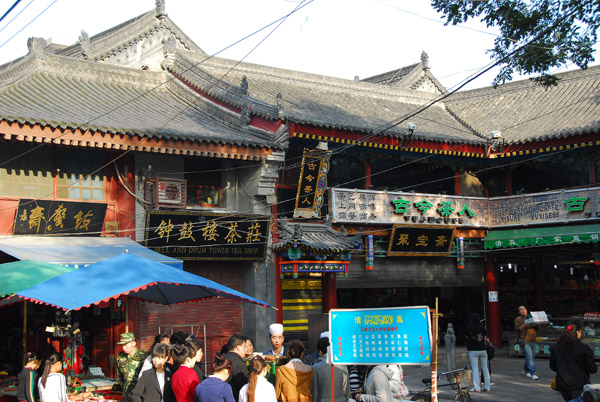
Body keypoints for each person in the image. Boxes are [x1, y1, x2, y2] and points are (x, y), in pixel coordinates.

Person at [550, 321, 598, 401]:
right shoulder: (584, 348)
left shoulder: (556, 347)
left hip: (562, 385)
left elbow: (553, 367)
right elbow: (592, 369)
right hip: (578, 385)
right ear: (578, 332)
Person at [311, 337, 349, 402]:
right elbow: (346, 390)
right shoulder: (343, 366)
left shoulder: (315, 368)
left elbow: (315, 392)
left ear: (320, 352)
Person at [116, 332, 147, 402]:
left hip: (140, 393)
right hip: (127, 393)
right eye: (122, 345)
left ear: (133, 343)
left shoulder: (144, 356)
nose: (124, 348)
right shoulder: (120, 357)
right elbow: (120, 376)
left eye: (126, 345)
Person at [466, 313, 490, 393]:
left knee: (475, 369)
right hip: (483, 349)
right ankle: (487, 386)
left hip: (473, 350)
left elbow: (467, 336)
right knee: (485, 368)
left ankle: (477, 387)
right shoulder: (482, 327)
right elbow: (486, 337)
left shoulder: (469, 328)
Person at [514, 305, 539, 380]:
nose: (523, 311)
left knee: (531, 357)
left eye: (524, 309)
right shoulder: (518, 319)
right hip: (525, 340)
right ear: (519, 312)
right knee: (529, 357)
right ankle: (533, 373)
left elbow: (537, 328)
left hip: (533, 339)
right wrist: (524, 325)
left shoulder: (531, 318)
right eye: (521, 310)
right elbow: (517, 329)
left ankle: (526, 370)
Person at [224, 335, 250, 402]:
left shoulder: (223, 358)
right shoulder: (240, 363)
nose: (246, 349)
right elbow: (242, 385)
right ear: (238, 347)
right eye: (244, 347)